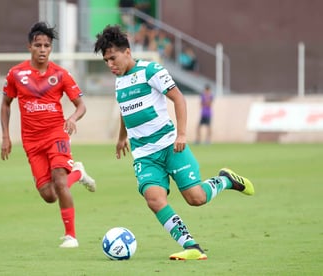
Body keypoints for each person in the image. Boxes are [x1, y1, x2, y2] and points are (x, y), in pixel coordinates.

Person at [93, 25, 254, 260]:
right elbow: (124, 110)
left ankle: (225, 180)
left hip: (170, 145)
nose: (110, 65)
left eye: (113, 58)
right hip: (145, 155)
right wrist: (121, 137)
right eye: (106, 61)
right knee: (154, 199)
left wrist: (181, 134)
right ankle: (191, 246)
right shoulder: (119, 82)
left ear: (127, 52)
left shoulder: (151, 70)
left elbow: (178, 98)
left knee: (196, 198)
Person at [0, 22, 96, 249]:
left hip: (56, 135)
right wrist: (5, 136)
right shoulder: (16, 74)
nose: (43, 49)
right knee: (49, 195)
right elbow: (5, 104)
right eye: (38, 45)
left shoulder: (61, 74)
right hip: (32, 141)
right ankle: (79, 172)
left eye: (47, 45)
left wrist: (72, 118)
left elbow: (81, 105)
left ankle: (71, 236)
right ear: (30, 47)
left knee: (60, 181)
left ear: (51, 48)